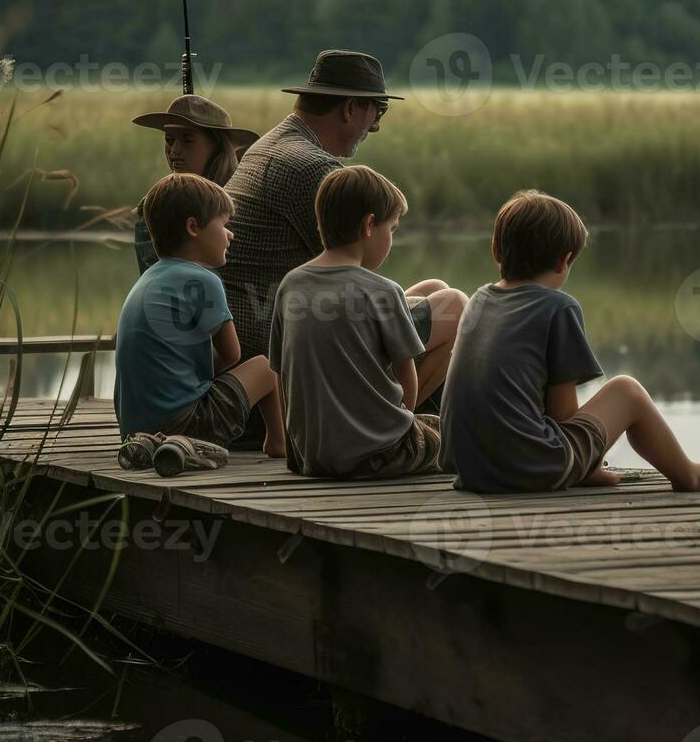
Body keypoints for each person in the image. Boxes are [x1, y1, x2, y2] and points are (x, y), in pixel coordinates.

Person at [439, 190, 700, 494]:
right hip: (528, 469)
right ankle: (690, 475)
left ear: (496, 250)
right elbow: (564, 415)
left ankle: (577, 465)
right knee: (626, 391)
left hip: (470, 471)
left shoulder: (480, 300)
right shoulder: (557, 307)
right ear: (564, 261)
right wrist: (582, 461)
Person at [219, 49, 465, 442]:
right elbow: (363, 275)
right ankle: (384, 432)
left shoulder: (270, 145)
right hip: (280, 371)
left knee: (432, 290)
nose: (376, 127)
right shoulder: (314, 169)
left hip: (260, 346)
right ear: (351, 108)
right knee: (454, 308)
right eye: (377, 112)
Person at [271, 166, 462, 479]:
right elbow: (408, 381)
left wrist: (295, 449)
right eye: (393, 229)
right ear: (370, 225)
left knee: (432, 289)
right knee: (461, 434)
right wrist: (404, 424)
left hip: (312, 455)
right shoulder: (383, 291)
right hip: (377, 455)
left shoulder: (291, 284)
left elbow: (280, 372)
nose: (391, 238)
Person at [113, 173, 284, 460]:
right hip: (186, 422)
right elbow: (231, 354)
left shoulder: (147, 280)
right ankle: (278, 444)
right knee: (266, 367)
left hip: (135, 428)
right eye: (224, 225)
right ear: (193, 227)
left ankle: (159, 445)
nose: (230, 235)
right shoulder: (204, 281)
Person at [129, 95, 259, 274]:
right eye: (169, 140)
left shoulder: (248, 194)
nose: (174, 150)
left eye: (187, 140)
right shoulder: (157, 206)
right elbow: (160, 278)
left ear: (218, 146)